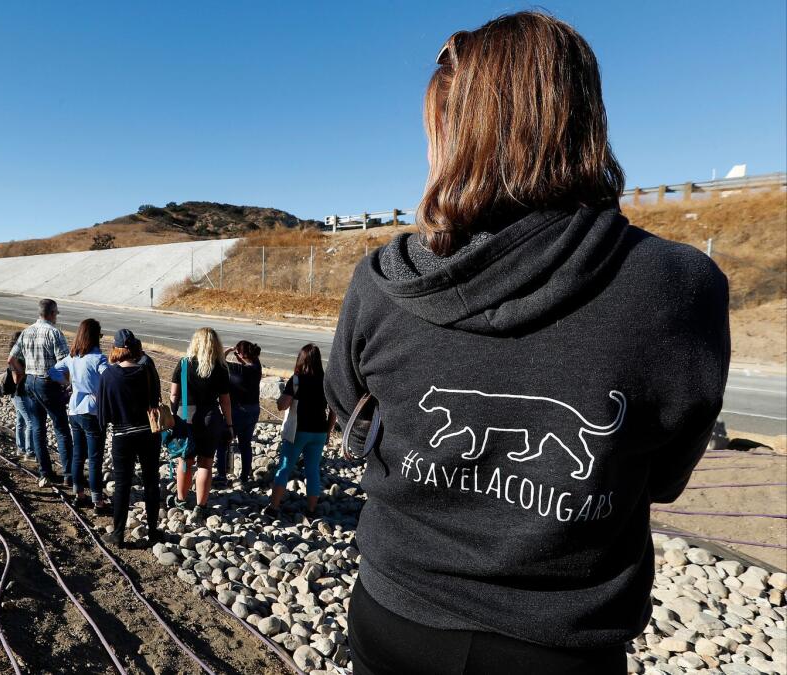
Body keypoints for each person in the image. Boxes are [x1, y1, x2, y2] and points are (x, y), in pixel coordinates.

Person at [325, 12, 729, 674]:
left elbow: (353, 420)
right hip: (558, 643)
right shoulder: (681, 286)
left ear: (457, 136)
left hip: (396, 616)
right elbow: (665, 472)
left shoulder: (383, 280)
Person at [98, 329, 163, 546]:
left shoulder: (107, 375)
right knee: (151, 481)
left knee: (123, 484)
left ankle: (118, 534)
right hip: (148, 433)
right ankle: (154, 531)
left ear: (115, 348)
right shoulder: (146, 370)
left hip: (122, 435)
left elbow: (103, 412)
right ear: (134, 347)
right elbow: (156, 399)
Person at [168, 327, 234, 519]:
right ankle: (201, 506)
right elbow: (225, 401)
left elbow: (174, 394)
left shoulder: (183, 363)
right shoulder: (220, 367)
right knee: (206, 462)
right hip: (210, 418)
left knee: (185, 462)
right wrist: (229, 425)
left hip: (185, 416)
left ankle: (181, 500)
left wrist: (172, 416)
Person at [265, 344, 334, 519]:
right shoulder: (326, 382)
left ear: (301, 359)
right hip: (319, 431)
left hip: (298, 431)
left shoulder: (296, 380)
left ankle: (273, 507)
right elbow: (334, 410)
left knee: (285, 468)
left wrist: (283, 397)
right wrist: (328, 430)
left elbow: (282, 405)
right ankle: (311, 510)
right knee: (312, 470)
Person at [8, 298, 72, 487]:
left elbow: (11, 358)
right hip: (48, 383)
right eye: (56, 313)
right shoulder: (54, 333)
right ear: (52, 313)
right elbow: (63, 363)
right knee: (61, 428)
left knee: (37, 428)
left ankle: (45, 472)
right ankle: (69, 474)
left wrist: (22, 372)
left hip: (30, 381)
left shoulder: (26, 332)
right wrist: (67, 383)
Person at [50, 318, 111, 514]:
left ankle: (79, 495)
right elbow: (110, 380)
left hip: (74, 410)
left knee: (78, 455)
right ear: (95, 337)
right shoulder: (99, 359)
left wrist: (68, 384)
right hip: (92, 411)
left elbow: (52, 372)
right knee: (94, 458)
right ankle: (98, 502)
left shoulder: (72, 358)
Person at [221, 340, 262, 487]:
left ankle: (222, 473)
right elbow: (252, 357)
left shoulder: (239, 370)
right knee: (245, 444)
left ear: (241, 355)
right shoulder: (257, 367)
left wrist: (229, 350)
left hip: (238, 410)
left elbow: (219, 360)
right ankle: (244, 476)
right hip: (254, 409)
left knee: (225, 441)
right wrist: (240, 352)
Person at [7, 331, 38, 462]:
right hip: (19, 394)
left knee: (20, 422)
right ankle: (30, 452)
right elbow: (16, 379)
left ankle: (21, 448)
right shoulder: (16, 359)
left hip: (19, 394)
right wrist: (27, 370)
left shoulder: (18, 356)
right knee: (30, 422)